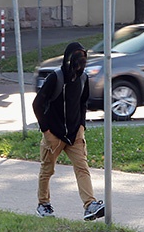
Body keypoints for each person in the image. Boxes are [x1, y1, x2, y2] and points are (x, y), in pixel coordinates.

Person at [32, 42, 105, 221]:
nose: (80, 66)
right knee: (47, 170)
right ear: (69, 60)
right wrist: (46, 132)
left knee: (82, 168)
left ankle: (90, 205)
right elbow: (37, 104)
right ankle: (43, 204)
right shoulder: (55, 78)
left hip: (75, 134)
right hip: (54, 134)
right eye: (78, 61)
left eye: (83, 61)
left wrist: (81, 127)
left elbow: (82, 104)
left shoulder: (83, 79)